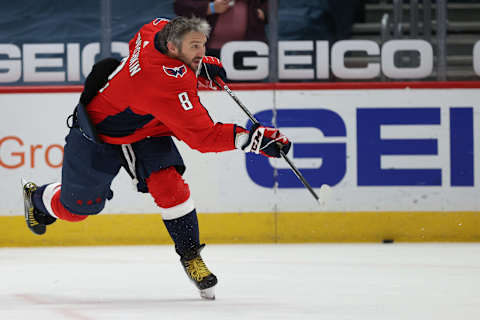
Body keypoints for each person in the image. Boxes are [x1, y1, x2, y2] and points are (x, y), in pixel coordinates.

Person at [21, 16, 291, 300]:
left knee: (169, 185)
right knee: (76, 209)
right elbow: (203, 138)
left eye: (202, 45)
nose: (201, 52)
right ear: (173, 48)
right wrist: (253, 140)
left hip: (144, 126)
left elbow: (158, 39)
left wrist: (196, 66)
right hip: (98, 133)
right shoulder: (166, 85)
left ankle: (191, 256)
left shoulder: (154, 29)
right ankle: (37, 197)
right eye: (193, 47)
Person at [174, 0, 268, 58]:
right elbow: (180, 6)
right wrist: (210, 7)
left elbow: (271, 4)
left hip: (248, 50)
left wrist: (264, 12)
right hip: (207, 51)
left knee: (249, 88)